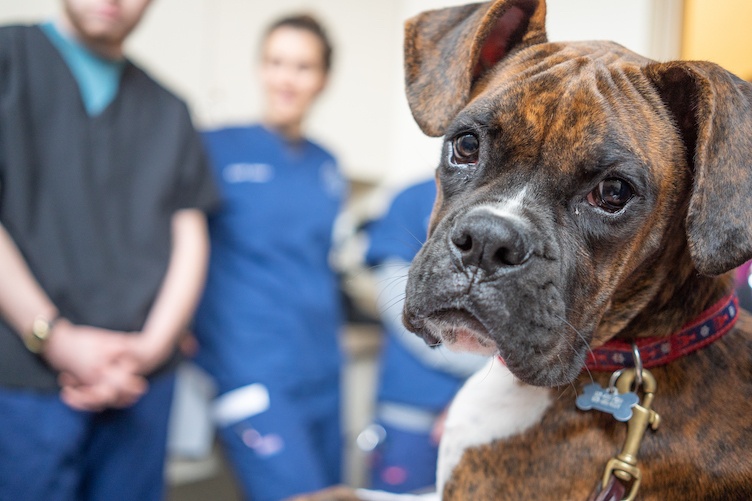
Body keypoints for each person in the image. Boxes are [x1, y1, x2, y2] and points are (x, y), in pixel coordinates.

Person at [0, 1, 219, 500]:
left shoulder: (170, 109)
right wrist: (54, 337)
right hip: (22, 382)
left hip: (141, 385)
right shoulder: (9, 58)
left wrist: (150, 349)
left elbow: (191, 236)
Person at [192, 14, 347, 501]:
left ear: (321, 79)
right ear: (260, 68)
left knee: (334, 493)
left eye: (302, 67)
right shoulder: (214, 149)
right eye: (276, 62)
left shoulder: (327, 165)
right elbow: (171, 246)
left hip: (322, 367)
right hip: (251, 367)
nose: (286, 78)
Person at [363, 179, 488, 493]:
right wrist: (487, 366)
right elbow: (401, 308)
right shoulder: (413, 199)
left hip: (492, 404)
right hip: (415, 401)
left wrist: (485, 385)